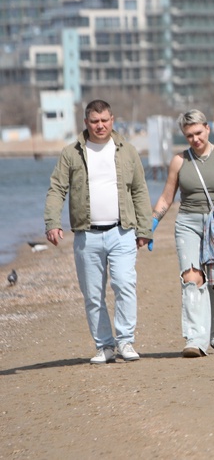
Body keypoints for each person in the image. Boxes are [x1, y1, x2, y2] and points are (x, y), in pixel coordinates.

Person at [43, 99, 152, 364]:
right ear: (86, 122)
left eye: (104, 120)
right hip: (86, 235)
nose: (100, 125)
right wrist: (52, 222)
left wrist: (144, 228)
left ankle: (125, 341)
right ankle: (105, 346)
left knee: (124, 285)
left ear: (112, 120)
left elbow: (139, 190)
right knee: (93, 295)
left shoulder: (127, 151)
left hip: (122, 232)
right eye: (94, 121)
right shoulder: (71, 153)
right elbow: (57, 189)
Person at [151, 110, 214, 357]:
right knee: (191, 278)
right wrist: (151, 224)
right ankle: (196, 340)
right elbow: (167, 197)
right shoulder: (179, 161)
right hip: (188, 223)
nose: (195, 139)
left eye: (198, 133)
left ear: (207, 129)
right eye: (189, 136)